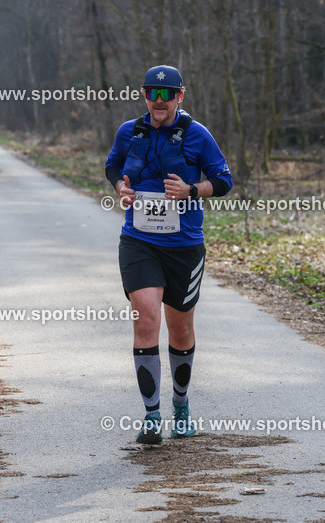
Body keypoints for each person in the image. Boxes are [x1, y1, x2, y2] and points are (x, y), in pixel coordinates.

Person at [105, 65, 233, 444]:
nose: (158, 102)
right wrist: (120, 186)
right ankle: (150, 416)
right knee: (146, 319)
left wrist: (192, 191)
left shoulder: (197, 135)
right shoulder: (129, 131)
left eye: (167, 95)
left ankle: (181, 407)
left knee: (180, 328)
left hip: (184, 247)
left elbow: (223, 181)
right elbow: (112, 164)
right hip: (139, 241)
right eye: (151, 94)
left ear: (180, 97)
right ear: (144, 96)